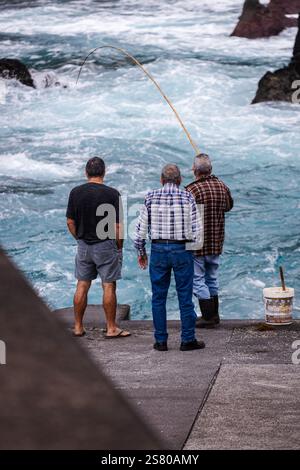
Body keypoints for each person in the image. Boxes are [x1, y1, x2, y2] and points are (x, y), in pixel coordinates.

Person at [134, 164, 205, 352]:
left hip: (158, 249)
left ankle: (161, 341)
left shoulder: (150, 197)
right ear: (180, 180)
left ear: (161, 180)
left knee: (158, 297)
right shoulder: (188, 196)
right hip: (182, 249)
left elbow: (140, 230)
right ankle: (187, 339)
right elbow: (198, 230)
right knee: (185, 296)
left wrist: (141, 253)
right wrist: (193, 252)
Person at [66, 157, 130, 339]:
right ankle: (111, 328)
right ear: (104, 172)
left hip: (84, 245)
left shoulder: (75, 192)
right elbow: (118, 227)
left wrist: (79, 237)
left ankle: (78, 327)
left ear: (86, 173)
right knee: (108, 285)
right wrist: (119, 246)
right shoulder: (112, 194)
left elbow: (70, 221)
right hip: (105, 245)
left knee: (82, 284)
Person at [185, 154, 234, 328]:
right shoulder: (222, 186)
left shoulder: (191, 190)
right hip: (216, 240)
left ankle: (208, 316)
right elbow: (228, 206)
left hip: (197, 242)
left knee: (197, 280)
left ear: (194, 170)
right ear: (210, 170)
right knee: (212, 278)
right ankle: (214, 315)